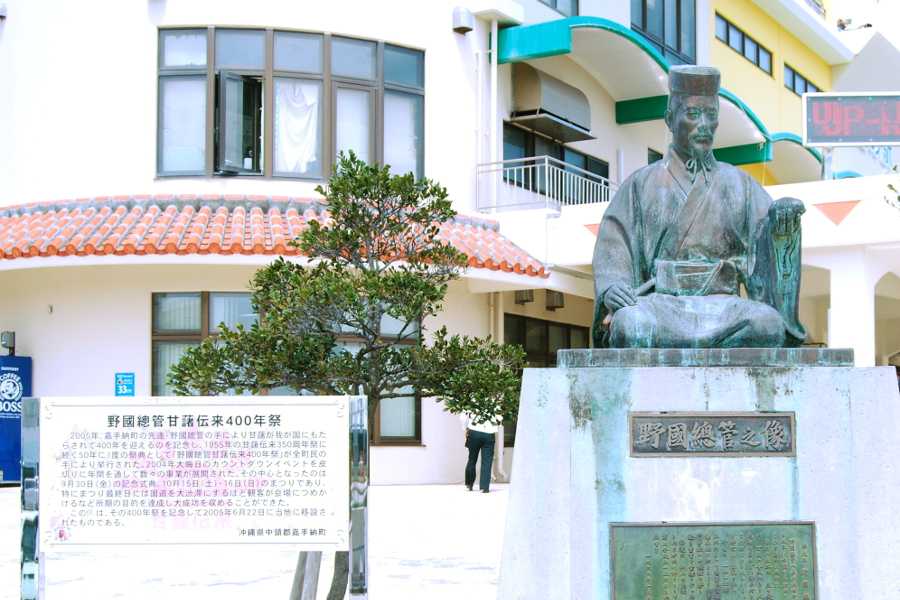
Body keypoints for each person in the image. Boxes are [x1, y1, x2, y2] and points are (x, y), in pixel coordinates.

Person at [591, 66, 807, 349]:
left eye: (711, 114)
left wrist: (782, 227)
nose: (704, 123)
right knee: (630, 326)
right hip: (660, 306)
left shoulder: (740, 182)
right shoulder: (640, 183)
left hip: (724, 307)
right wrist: (612, 287)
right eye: (693, 114)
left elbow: (763, 239)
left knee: (767, 325)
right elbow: (614, 247)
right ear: (670, 119)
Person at [461, 412, 499, 493]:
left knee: (472, 458)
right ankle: (485, 487)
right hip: (489, 433)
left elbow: (463, 417)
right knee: (487, 460)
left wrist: (466, 428)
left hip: (474, 431)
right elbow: (500, 417)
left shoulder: (471, 400)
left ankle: (469, 483)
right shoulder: (494, 401)